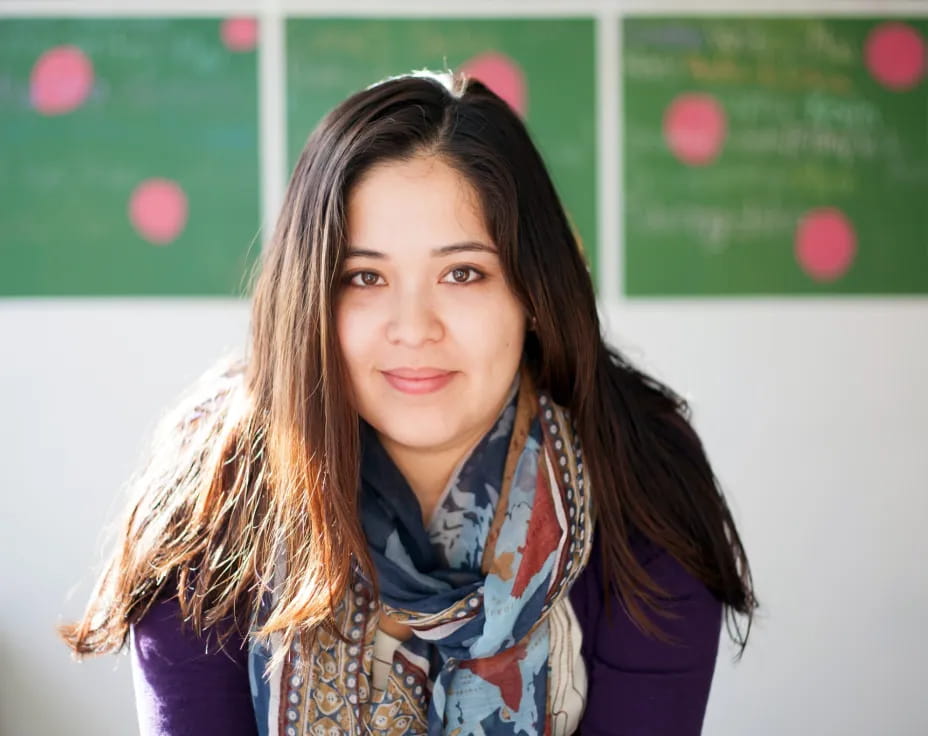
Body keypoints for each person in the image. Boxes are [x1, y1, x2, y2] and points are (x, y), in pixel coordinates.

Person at [60, 70, 758, 736]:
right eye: (365, 276)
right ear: (310, 299)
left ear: (533, 293)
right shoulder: (210, 488)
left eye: (462, 273)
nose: (415, 327)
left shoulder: (641, 472)